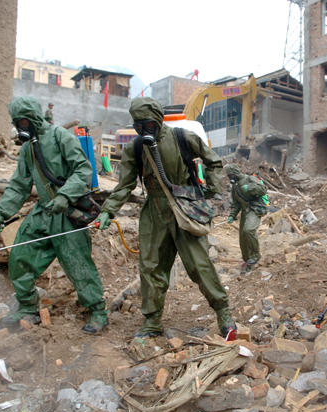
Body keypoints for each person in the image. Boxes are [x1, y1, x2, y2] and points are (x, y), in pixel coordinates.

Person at [96, 97, 236, 339]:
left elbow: (213, 161)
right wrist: (108, 211)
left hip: (183, 205)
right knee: (150, 267)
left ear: (158, 120)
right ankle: (152, 321)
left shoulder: (182, 137)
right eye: (139, 127)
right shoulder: (135, 148)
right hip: (154, 211)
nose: (144, 131)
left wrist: (210, 189)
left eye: (149, 125)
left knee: (199, 264)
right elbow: (124, 185)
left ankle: (223, 313)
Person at [0, 96, 107, 334]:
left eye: (23, 122)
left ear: (33, 117)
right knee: (20, 256)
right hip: (43, 211)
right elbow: (18, 185)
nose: (20, 128)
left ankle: (98, 312)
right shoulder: (27, 148)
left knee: (77, 264)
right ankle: (26, 307)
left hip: (67, 211)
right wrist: (1, 213)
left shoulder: (60, 136)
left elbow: (83, 169)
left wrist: (65, 195)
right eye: (17, 123)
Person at [225, 163, 268, 273]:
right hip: (245, 211)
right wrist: (232, 215)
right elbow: (236, 204)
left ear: (235, 172)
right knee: (243, 238)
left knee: (248, 230)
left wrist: (250, 187)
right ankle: (248, 261)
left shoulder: (250, 179)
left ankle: (255, 255)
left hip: (254, 209)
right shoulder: (235, 186)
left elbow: (263, 189)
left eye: (231, 175)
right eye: (229, 176)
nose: (230, 178)